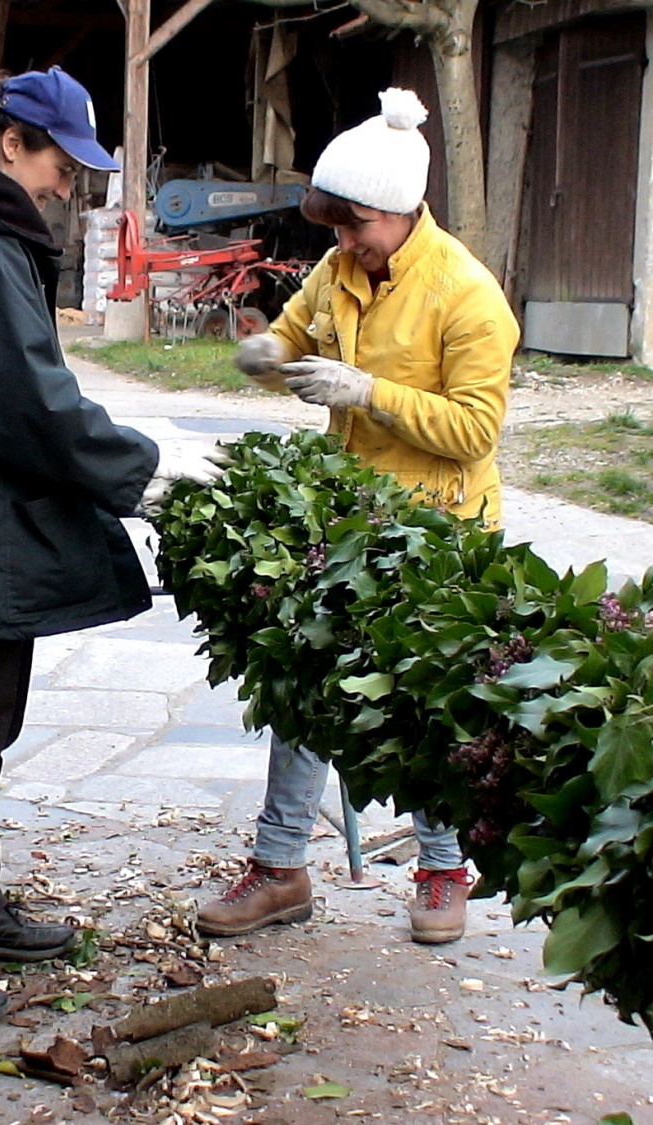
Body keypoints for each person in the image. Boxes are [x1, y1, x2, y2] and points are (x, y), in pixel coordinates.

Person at [0, 66, 225, 1027]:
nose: (70, 185)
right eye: (63, 163)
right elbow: (28, 402)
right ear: (11, 143)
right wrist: (145, 467)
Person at [196, 88, 519, 946]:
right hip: (345, 516)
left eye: (355, 228)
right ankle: (280, 866)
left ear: (402, 211)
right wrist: (268, 355)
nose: (342, 245)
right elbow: (296, 339)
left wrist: (369, 392)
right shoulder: (337, 271)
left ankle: (444, 869)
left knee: (424, 709)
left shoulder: (468, 297)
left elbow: (474, 428)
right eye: (334, 229)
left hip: (438, 530)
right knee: (304, 688)